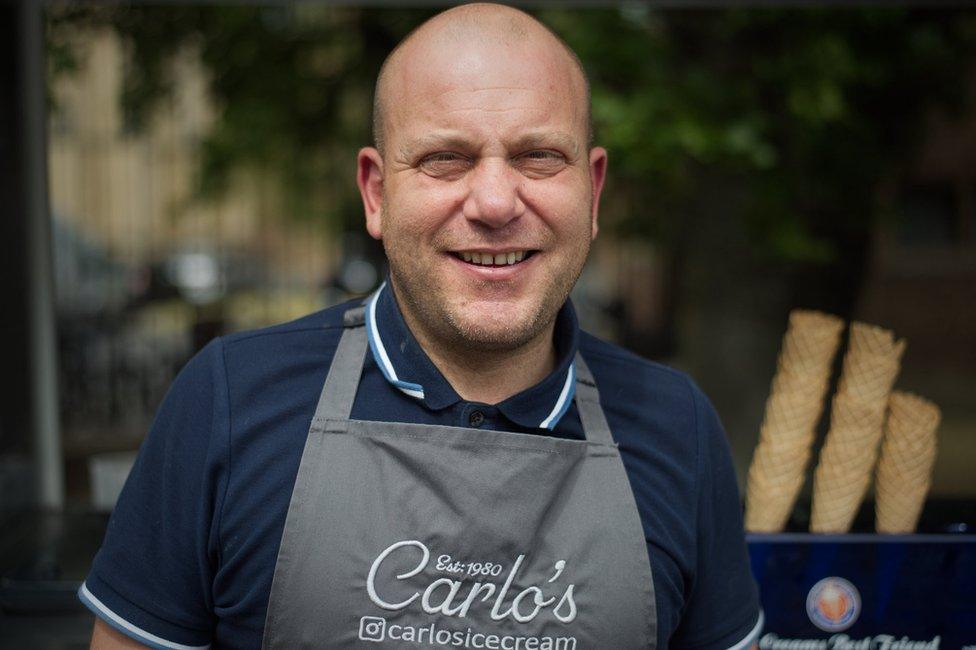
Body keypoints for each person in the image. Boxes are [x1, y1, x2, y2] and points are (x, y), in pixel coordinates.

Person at [81, 4, 762, 649]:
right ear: (377, 193)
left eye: (538, 157)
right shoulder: (228, 401)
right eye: (446, 159)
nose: (495, 202)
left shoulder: (678, 429)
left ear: (593, 191)